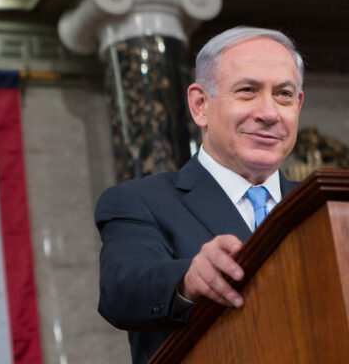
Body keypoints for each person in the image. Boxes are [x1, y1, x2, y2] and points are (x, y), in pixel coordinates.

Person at [94, 26, 305, 364]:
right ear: (200, 105)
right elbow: (121, 290)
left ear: (298, 105)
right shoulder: (140, 200)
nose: (269, 113)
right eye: (248, 91)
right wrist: (187, 280)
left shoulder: (328, 209)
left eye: (283, 94)